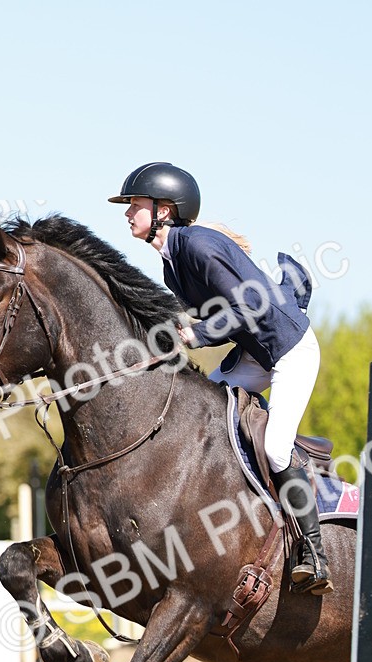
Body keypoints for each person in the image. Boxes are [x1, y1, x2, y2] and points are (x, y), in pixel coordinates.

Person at [108, 161, 332, 594]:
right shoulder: (172, 263)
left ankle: (314, 555)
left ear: (164, 210)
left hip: (290, 352)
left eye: (134, 204)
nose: (127, 212)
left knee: (278, 450)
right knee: (204, 413)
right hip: (253, 353)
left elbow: (248, 308)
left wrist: (192, 333)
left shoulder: (198, 246)